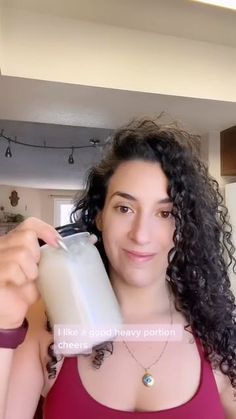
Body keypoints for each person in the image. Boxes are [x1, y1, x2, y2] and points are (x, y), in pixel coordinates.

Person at [0, 117, 235, 419]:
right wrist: (4, 319)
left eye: (165, 213)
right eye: (125, 208)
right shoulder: (44, 325)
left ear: (185, 227)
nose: (140, 234)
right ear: (99, 216)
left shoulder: (218, 332)